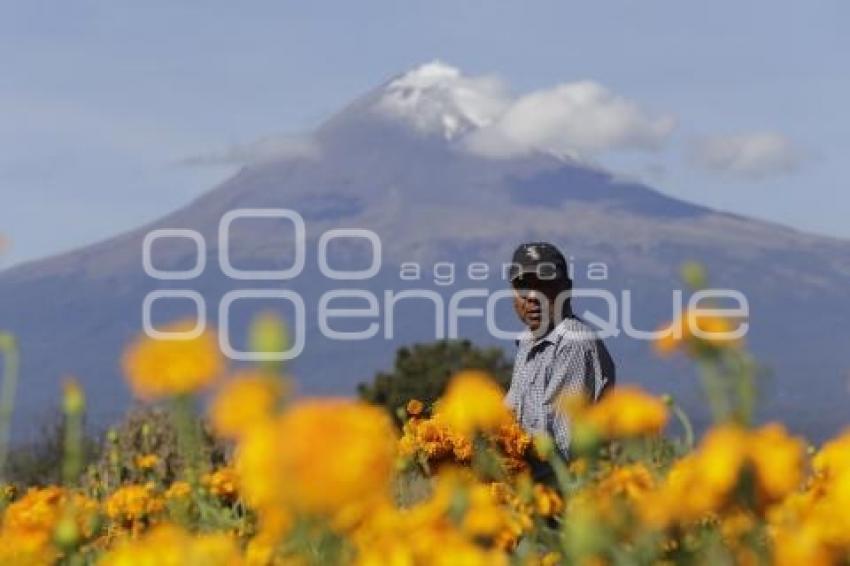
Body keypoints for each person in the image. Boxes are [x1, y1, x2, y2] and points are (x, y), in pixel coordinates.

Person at [504, 242, 616, 466]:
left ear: (567, 289)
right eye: (523, 286)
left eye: (544, 285)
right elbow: (509, 415)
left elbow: (566, 447)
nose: (533, 296)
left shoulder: (573, 342)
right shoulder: (529, 341)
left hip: (567, 492)